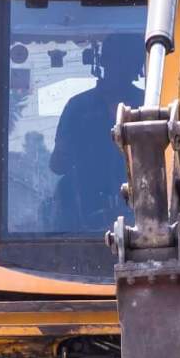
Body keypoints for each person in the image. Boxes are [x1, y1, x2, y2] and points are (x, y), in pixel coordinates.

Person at [48, 33, 144, 231]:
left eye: (127, 61)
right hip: (82, 219)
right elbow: (58, 164)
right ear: (104, 62)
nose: (121, 68)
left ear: (137, 66)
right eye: (116, 60)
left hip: (142, 213)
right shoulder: (78, 108)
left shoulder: (148, 107)